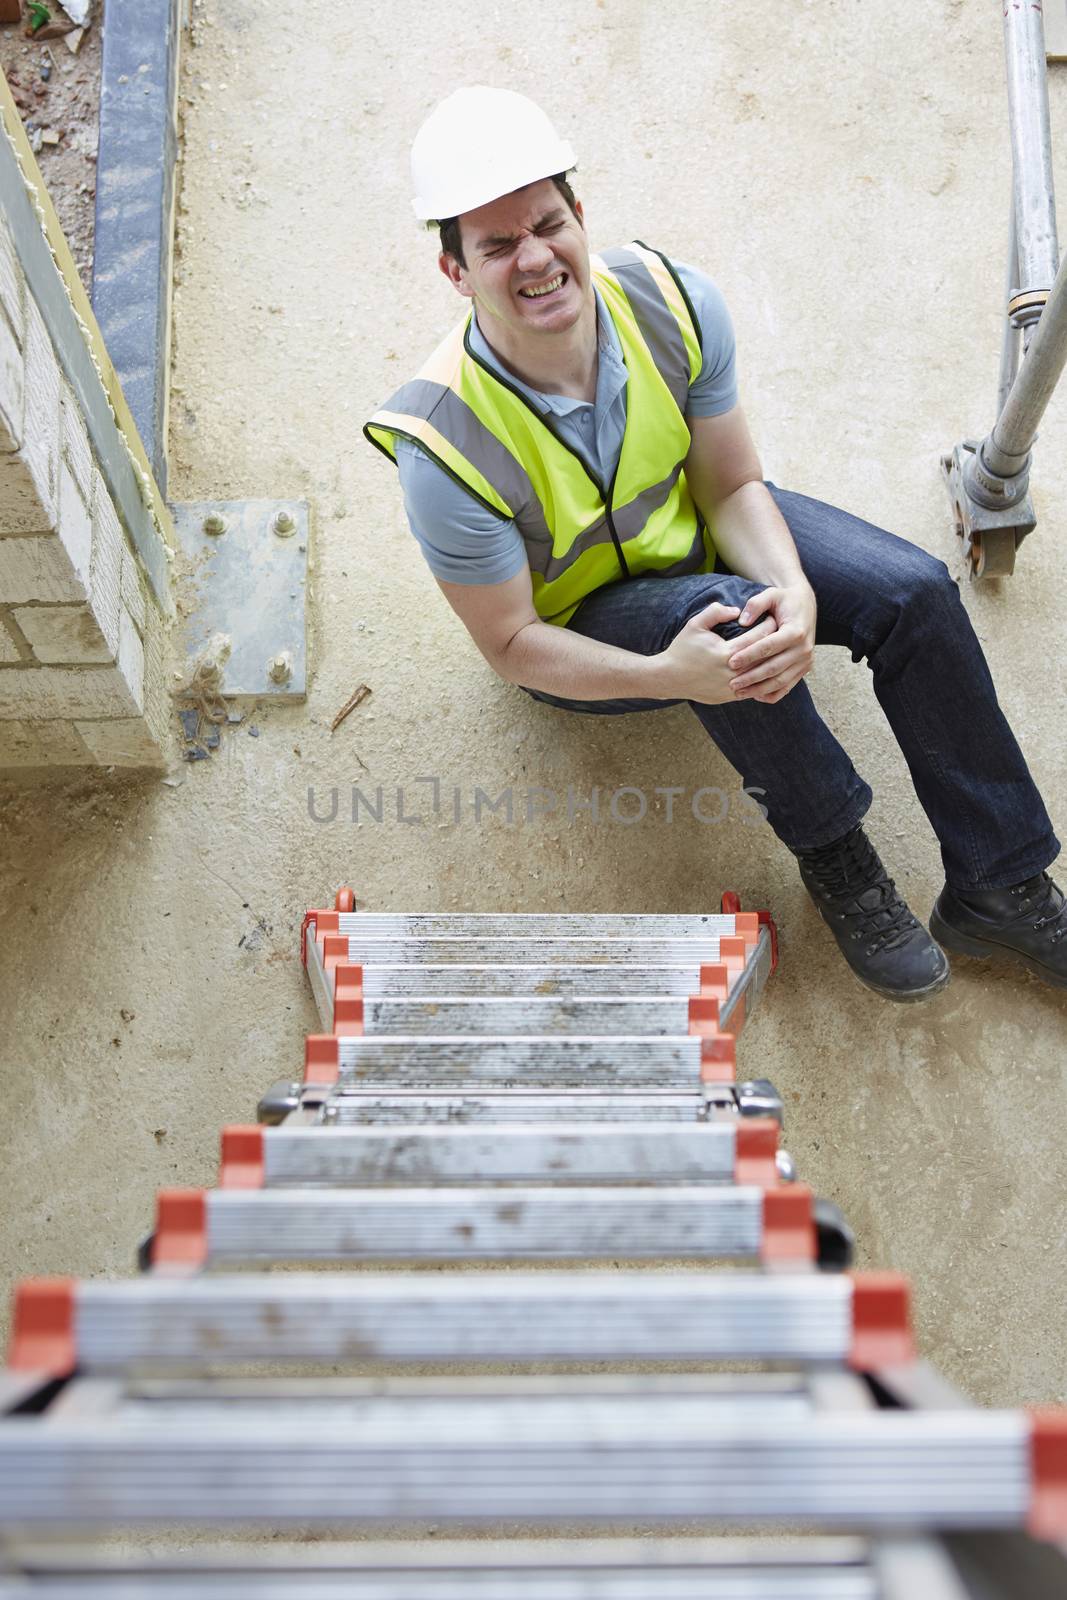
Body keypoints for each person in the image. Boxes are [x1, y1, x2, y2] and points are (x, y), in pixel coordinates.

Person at [366, 86, 1066, 1002]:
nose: (534, 258)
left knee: (912, 590)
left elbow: (731, 483)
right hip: (584, 628)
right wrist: (669, 676)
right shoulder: (442, 445)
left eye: (547, 224)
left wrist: (793, 586)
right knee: (728, 627)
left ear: (579, 217)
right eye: (496, 246)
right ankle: (838, 855)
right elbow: (509, 646)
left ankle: (1000, 884)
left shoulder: (671, 303)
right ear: (455, 271)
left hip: (698, 534)